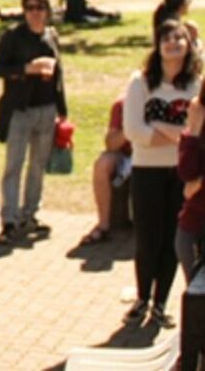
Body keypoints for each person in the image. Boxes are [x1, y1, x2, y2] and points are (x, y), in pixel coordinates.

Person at [121, 19, 201, 328]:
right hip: (146, 170)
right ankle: (142, 298)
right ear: (158, 45)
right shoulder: (140, 82)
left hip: (180, 172)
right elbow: (134, 131)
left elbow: (198, 132)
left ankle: (161, 303)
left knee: (172, 237)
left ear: (188, 45)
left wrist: (162, 129)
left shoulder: (195, 85)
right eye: (166, 38)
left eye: (179, 38)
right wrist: (181, 135)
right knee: (147, 237)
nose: (173, 43)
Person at [0, 0, 68, 245]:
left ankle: (29, 215)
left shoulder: (51, 36)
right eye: (30, 8)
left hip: (46, 110)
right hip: (20, 110)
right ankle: (9, 220)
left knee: (38, 166)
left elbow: (59, 76)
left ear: (47, 11)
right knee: (14, 165)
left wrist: (62, 112)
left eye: (39, 8)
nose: (34, 13)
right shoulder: (13, 37)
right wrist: (27, 69)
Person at [78, 98, 132, 245]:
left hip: (154, 155)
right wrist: (131, 126)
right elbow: (111, 144)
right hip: (126, 154)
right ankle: (104, 225)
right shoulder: (122, 105)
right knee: (102, 164)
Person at [177, 95, 205, 280]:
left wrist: (201, 183)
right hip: (192, 225)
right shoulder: (192, 135)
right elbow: (186, 174)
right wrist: (194, 131)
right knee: (196, 298)